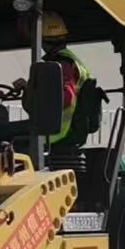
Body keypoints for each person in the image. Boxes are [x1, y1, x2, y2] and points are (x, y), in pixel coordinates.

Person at [17, 11, 93, 147]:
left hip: (54, 132)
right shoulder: (70, 60)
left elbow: (65, 97)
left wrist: (31, 91)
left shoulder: (59, 64)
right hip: (64, 129)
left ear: (42, 40)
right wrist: (29, 88)